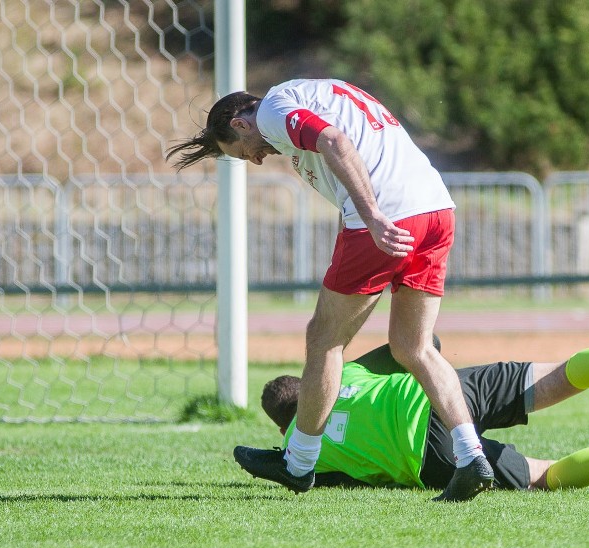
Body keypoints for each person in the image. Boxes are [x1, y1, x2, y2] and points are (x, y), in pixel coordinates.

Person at [168, 79, 492, 500]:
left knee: (324, 340)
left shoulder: (271, 111)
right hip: (436, 209)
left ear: (241, 122)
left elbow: (336, 141)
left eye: (242, 153)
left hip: (388, 214)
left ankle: (299, 463)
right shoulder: (319, 91)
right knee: (414, 348)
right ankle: (471, 458)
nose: (257, 161)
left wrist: (372, 216)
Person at [236, 312, 589, 498]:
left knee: (543, 476)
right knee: (552, 379)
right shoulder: (347, 375)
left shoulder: (300, 454)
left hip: (432, 459)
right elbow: (425, 343)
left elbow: (334, 480)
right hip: (439, 398)